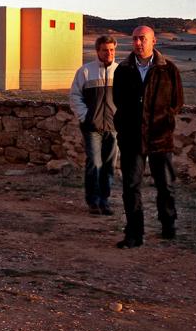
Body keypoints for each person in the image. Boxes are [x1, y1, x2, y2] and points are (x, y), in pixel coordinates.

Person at [113, 25, 183, 248]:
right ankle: (134, 233)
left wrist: (164, 120)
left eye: (142, 38)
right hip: (132, 139)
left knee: (165, 185)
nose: (138, 43)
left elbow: (177, 102)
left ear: (154, 41)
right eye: (134, 39)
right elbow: (118, 101)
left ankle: (168, 225)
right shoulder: (123, 70)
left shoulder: (168, 69)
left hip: (160, 138)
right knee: (131, 186)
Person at [69, 35, 119, 215]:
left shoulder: (120, 72)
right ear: (97, 51)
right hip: (92, 127)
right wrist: (86, 117)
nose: (109, 53)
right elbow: (75, 96)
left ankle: (105, 201)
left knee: (109, 165)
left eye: (112, 50)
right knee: (94, 164)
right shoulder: (85, 71)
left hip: (114, 127)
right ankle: (93, 201)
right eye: (105, 50)